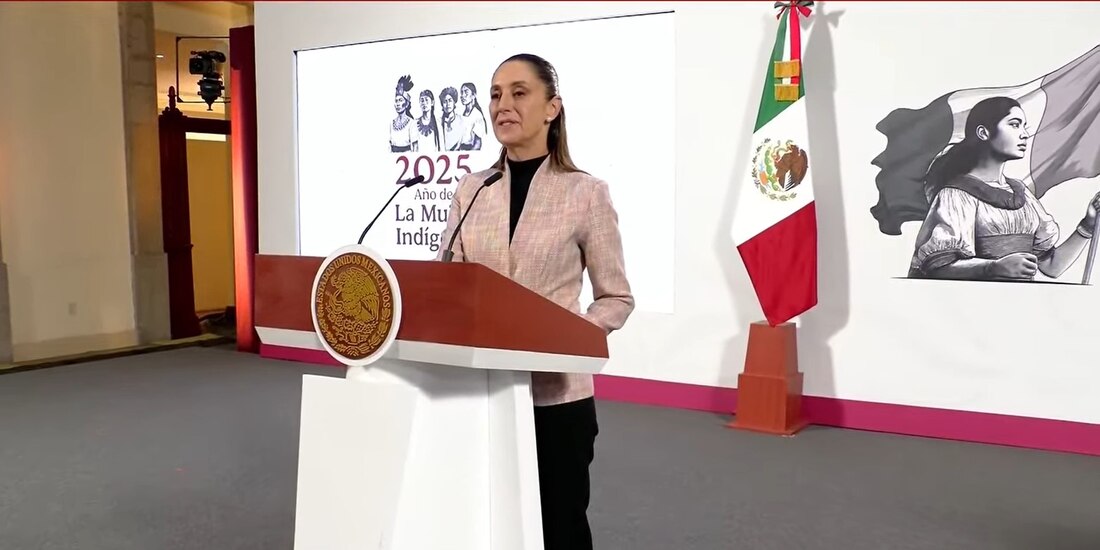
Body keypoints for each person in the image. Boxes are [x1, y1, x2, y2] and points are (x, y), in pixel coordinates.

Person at [436, 53, 634, 549]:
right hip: (480, 392)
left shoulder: (585, 193)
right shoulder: (472, 189)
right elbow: (446, 283)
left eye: (519, 93)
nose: (502, 104)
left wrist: (572, 336)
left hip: (556, 396)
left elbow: (616, 297)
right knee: (487, 525)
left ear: (552, 108)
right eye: (496, 94)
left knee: (559, 527)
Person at [909, 96, 1100, 281]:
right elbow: (938, 268)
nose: (1024, 134)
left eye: (1024, 126)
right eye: (1015, 124)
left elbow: (1051, 266)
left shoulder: (1023, 195)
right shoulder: (956, 195)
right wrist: (993, 268)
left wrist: (1088, 225)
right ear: (983, 133)